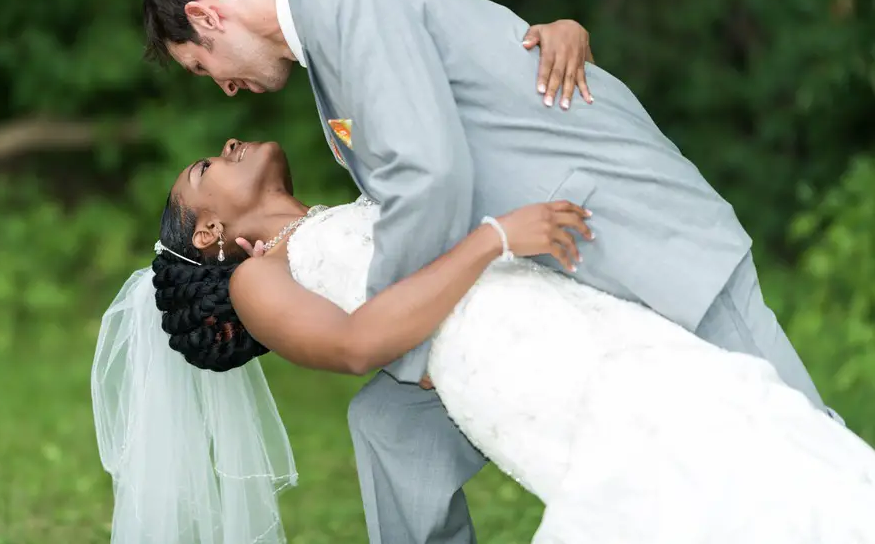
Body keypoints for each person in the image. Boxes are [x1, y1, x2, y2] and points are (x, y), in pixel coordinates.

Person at [139, 0, 839, 544]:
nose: (224, 89)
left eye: (204, 66)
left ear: (206, 14)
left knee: (799, 440)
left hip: (639, 232)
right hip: (538, 279)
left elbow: (429, 176)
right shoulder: (330, 47)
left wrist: (394, 328)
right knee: (389, 425)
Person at [92, 138, 875, 544]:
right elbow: (361, 344)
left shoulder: (338, 203)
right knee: (650, 473)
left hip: (565, 318)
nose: (227, 146)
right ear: (212, 230)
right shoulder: (259, 280)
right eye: (206, 166)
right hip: (515, 365)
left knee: (728, 437)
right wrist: (494, 240)